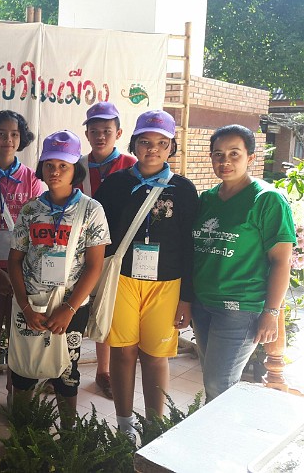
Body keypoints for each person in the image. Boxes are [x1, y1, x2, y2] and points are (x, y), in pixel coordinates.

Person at [94, 110, 197, 440]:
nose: (152, 149)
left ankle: (155, 428)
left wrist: (187, 299)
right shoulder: (115, 184)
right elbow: (98, 237)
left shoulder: (183, 189)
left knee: (155, 356)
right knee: (123, 353)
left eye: (161, 143)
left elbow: (190, 246)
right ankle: (124, 426)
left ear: (171, 147)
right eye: (145, 142)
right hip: (122, 281)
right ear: (134, 144)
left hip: (167, 285)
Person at [8, 130, 109, 427]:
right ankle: (23, 438)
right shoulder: (30, 210)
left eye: (63, 165)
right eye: (49, 165)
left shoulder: (91, 210)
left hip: (71, 307)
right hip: (32, 305)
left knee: (67, 374)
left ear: (75, 169)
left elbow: (94, 266)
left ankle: (68, 437)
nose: (55, 171)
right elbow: (15, 261)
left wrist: (69, 308)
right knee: (24, 372)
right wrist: (26, 307)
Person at [192, 125, 295, 402]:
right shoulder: (207, 199)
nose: (225, 161)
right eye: (218, 154)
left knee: (220, 383)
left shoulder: (267, 199)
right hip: (203, 304)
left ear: (250, 157)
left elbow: (281, 261)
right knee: (212, 379)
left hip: (239, 308)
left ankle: (225, 430)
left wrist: (271, 312)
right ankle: (213, 427)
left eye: (234, 153)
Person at [0, 110, 44, 417]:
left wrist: (19, 273)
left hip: (23, 273)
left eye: (14, 134)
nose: (8, 140)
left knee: (19, 335)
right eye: (1, 134)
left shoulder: (32, 179)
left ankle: (18, 390)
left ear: (22, 138)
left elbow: (39, 227)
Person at [79, 101, 137, 400]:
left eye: (107, 130)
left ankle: (105, 372)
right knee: (75, 307)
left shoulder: (132, 165)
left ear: (119, 133)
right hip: (80, 250)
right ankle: (62, 368)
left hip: (119, 252)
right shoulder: (77, 165)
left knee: (109, 310)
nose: (100, 136)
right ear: (87, 133)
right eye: (95, 131)